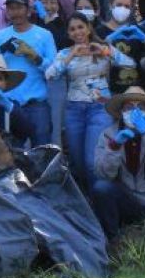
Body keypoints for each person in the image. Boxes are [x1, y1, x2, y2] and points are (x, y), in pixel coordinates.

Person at [44, 13, 133, 188]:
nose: (77, 32)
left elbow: (130, 64)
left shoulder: (103, 48)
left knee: (92, 160)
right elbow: (50, 75)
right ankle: (87, 199)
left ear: (88, 28)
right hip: (74, 110)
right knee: (77, 161)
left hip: (99, 109)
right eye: (72, 29)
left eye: (80, 27)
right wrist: (72, 55)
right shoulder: (64, 53)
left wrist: (105, 52)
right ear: (68, 34)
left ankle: (99, 199)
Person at [91, 87, 145, 239]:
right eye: (129, 107)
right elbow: (102, 173)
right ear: (122, 111)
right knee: (101, 188)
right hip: (125, 200)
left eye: (141, 107)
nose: (134, 111)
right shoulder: (108, 134)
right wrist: (115, 147)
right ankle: (112, 239)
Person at [0, 0, 58, 148]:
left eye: (19, 7)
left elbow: (54, 70)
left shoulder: (44, 35)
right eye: (11, 8)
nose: (15, 12)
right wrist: (3, 49)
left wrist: (34, 56)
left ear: (28, 10)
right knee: (11, 153)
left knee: (42, 151)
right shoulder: (0, 36)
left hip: (36, 104)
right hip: (9, 103)